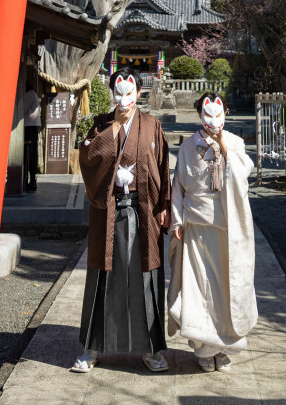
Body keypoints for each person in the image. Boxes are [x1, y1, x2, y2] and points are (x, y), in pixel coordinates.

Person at [72, 66, 171, 373]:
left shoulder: (151, 125)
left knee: (145, 277)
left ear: (138, 93)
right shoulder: (102, 123)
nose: (124, 99)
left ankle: (151, 349)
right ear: (112, 93)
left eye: (129, 93)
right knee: (105, 276)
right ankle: (93, 348)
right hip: (110, 210)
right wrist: (114, 130)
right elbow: (87, 158)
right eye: (118, 93)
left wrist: (165, 204)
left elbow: (163, 166)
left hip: (144, 210)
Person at [167, 93, 258, 372]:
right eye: (207, 115)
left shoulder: (235, 143)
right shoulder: (187, 147)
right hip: (197, 229)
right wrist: (177, 221)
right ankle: (204, 350)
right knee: (199, 289)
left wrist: (224, 148)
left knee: (226, 289)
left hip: (227, 229)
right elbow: (178, 187)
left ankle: (225, 347)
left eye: (218, 115)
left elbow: (244, 174)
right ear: (199, 115)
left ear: (226, 113)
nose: (213, 121)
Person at [21, 79, 41, 192]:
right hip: (32, 126)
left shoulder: (29, 95)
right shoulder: (32, 94)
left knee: (30, 153)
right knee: (32, 152)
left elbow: (21, 109)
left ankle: (31, 179)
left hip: (29, 126)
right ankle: (30, 179)